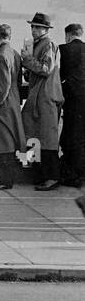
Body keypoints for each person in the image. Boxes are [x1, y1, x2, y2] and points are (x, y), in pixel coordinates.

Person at [22, 12, 65, 190]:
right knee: (39, 136)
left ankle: (51, 177)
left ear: (45, 29)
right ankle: (43, 174)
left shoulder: (48, 45)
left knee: (47, 138)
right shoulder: (39, 44)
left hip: (45, 97)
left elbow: (46, 69)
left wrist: (27, 60)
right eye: (33, 26)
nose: (34, 30)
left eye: (37, 27)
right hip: (39, 96)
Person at [0, 24, 26, 189]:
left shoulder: (1, 55)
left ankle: (6, 180)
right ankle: (8, 178)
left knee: (4, 143)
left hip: (3, 105)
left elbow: (2, 85)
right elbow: (15, 81)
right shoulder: (14, 53)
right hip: (13, 101)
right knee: (9, 141)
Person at [60, 23, 85, 188]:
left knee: (70, 137)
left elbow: (60, 75)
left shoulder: (65, 49)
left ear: (68, 35)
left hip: (72, 101)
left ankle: (72, 175)